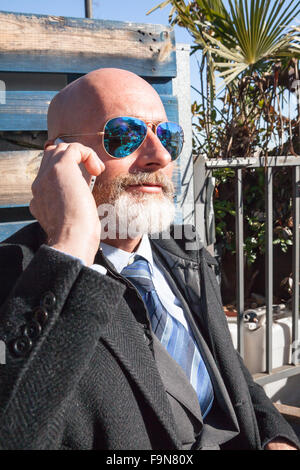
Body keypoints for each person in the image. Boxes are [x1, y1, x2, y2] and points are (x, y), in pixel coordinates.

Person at [0, 68, 298, 451]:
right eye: (125, 136)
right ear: (60, 157)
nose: (159, 156)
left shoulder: (183, 250)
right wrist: (73, 243)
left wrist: (276, 436)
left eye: (167, 136)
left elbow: (231, 374)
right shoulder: (21, 278)